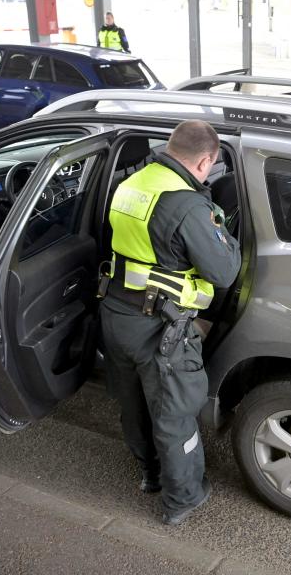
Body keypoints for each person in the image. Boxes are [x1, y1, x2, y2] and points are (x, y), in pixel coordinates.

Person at [99, 120, 241, 526]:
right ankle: (183, 499)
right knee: (174, 415)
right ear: (205, 161)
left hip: (115, 314)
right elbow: (224, 271)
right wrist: (220, 226)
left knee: (134, 405)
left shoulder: (132, 184)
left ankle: (150, 475)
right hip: (161, 328)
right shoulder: (188, 206)